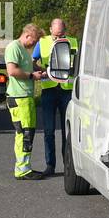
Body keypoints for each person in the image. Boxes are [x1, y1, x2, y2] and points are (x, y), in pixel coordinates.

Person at [32, 18, 79, 176]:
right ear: (50, 29)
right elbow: (32, 61)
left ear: (65, 30)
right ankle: (50, 165)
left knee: (68, 131)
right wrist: (42, 71)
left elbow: (80, 64)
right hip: (49, 90)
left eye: (61, 35)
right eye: (56, 35)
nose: (58, 38)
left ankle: (68, 165)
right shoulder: (42, 42)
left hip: (67, 90)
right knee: (49, 131)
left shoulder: (73, 42)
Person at [4, 24, 46, 180]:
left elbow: (28, 66)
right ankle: (22, 170)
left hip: (25, 97)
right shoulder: (14, 47)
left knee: (25, 132)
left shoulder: (23, 50)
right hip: (19, 97)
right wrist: (31, 76)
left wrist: (39, 69)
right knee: (25, 134)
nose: (34, 45)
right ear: (28, 35)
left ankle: (24, 167)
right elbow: (12, 71)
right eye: (34, 41)